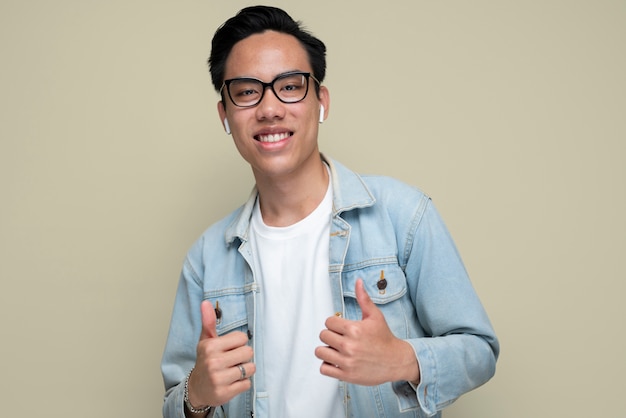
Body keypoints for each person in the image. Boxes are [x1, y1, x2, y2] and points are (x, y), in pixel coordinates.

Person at [161, 5, 499, 418]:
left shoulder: (401, 216)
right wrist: (196, 396)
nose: (269, 108)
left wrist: (402, 359)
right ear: (226, 116)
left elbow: (479, 350)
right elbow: (177, 401)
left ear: (321, 101)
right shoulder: (206, 259)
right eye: (247, 91)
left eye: (289, 86)